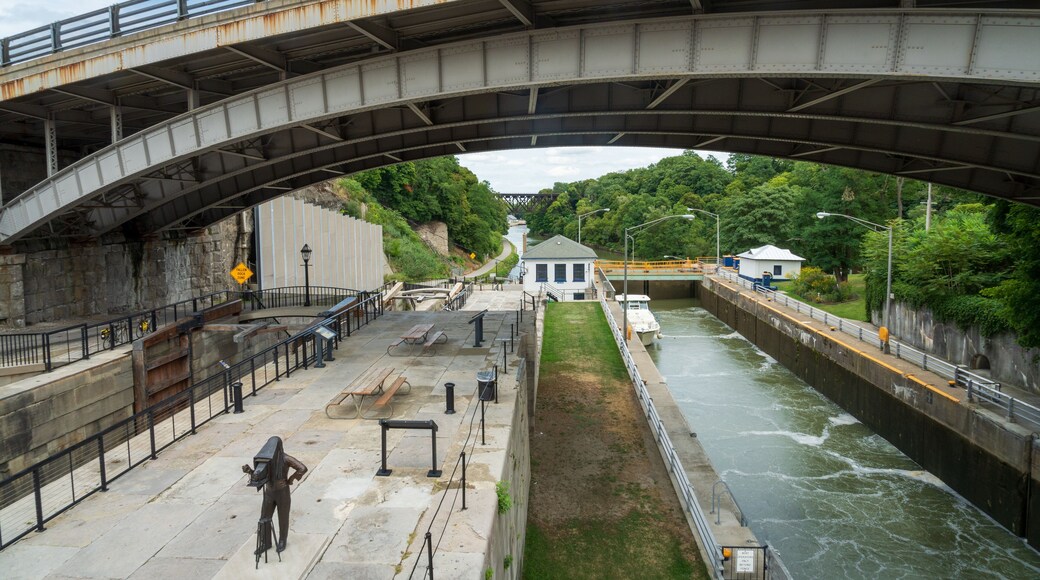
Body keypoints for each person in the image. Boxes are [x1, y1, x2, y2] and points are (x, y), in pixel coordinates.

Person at [242, 436, 307, 553]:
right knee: (264, 518)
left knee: (283, 518)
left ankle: (282, 540)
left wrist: (291, 479)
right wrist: (250, 472)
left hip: (282, 492)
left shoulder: (285, 458)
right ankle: (265, 543)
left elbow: (302, 468)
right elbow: (260, 474)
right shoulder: (266, 459)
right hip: (269, 492)